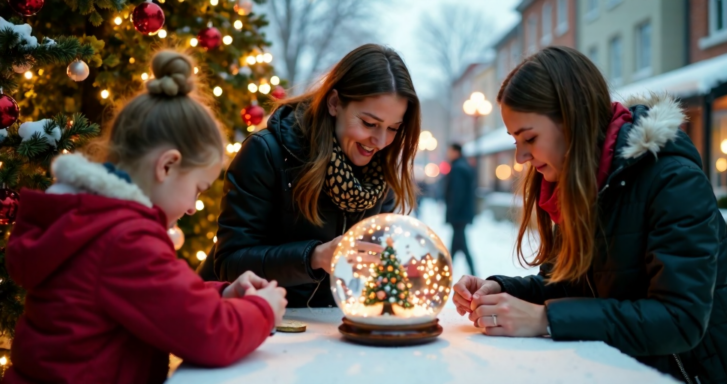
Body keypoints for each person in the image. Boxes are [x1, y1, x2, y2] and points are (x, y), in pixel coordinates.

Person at [452, 46, 727, 384]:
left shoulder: (673, 182)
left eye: (529, 137)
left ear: (574, 119)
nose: (521, 157)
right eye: (515, 140)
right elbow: (567, 283)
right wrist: (501, 289)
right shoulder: (585, 185)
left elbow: (680, 320)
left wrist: (545, 319)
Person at [4, 50, 287, 384]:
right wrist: (263, 310)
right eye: (197, 188)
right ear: (167, 165)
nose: (194, 207)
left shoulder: (91, 218)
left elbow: (160, 298)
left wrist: (222, 295)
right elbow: (210, 335)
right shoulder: (124, 237)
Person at [210, 44, 420, 308]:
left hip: (330, 333)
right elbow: (230, 264)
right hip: (259, 324)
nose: (379, 141)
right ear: (334, 103)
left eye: (393, 128)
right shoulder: (265, 153)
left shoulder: (382, 174)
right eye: (369, 123)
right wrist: (315, 257)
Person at [444, 143, 477, 276]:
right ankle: (447, 269)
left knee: (461, 245)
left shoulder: (458, 168)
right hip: (462, 214)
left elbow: (457, 193)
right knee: (458, 244)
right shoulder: (463, 166)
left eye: (450, 151)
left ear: (456, 152)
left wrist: (452, 212)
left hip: (459, 215)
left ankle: (447, 270)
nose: (448, 154)